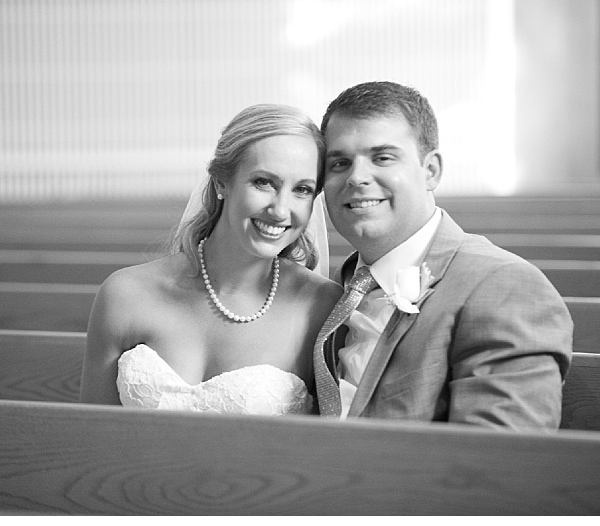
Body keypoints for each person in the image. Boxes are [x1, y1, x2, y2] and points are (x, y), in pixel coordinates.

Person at [315, 81, 573, 430]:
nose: (357, 177)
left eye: (383, 157)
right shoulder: (336, 288)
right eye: (340, 163)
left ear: (431, 171)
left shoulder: (504, 286)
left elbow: (500, 461)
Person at [79, 104, 343, 415]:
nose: (281, 210)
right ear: (221, 181)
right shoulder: (124, 294)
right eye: (263, 182)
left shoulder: (322, 306)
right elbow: (92, 435)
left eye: (302, 190)